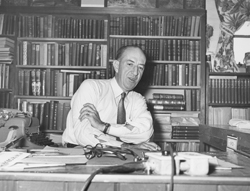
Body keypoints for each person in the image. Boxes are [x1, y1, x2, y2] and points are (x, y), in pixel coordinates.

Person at [62, 45, 160, 151]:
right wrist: (124, 146)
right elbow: (84, 134)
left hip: (117, 153)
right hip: (80, 152)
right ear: (116, 66)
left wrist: (104, 127)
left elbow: (145, 132)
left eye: (140, 67)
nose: (135, 72)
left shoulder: (137, 99)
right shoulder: (92, 87)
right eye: (130, 64)